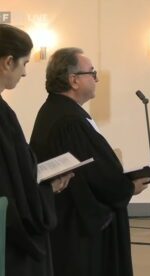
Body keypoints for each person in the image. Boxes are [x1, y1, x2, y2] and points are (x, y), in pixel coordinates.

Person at [29, 47, 148, 276]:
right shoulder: (69, 119)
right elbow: (97, 173)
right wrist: (128, 187)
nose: (96, 79)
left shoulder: (59, 110)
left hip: (67, 219)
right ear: (74, 80)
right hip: (78, 227)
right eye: (91, 73)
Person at [0, 24, 72, 276]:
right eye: (24, 63)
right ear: (8, 62)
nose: (25, 73)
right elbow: (9, 186)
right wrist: (46, 190)